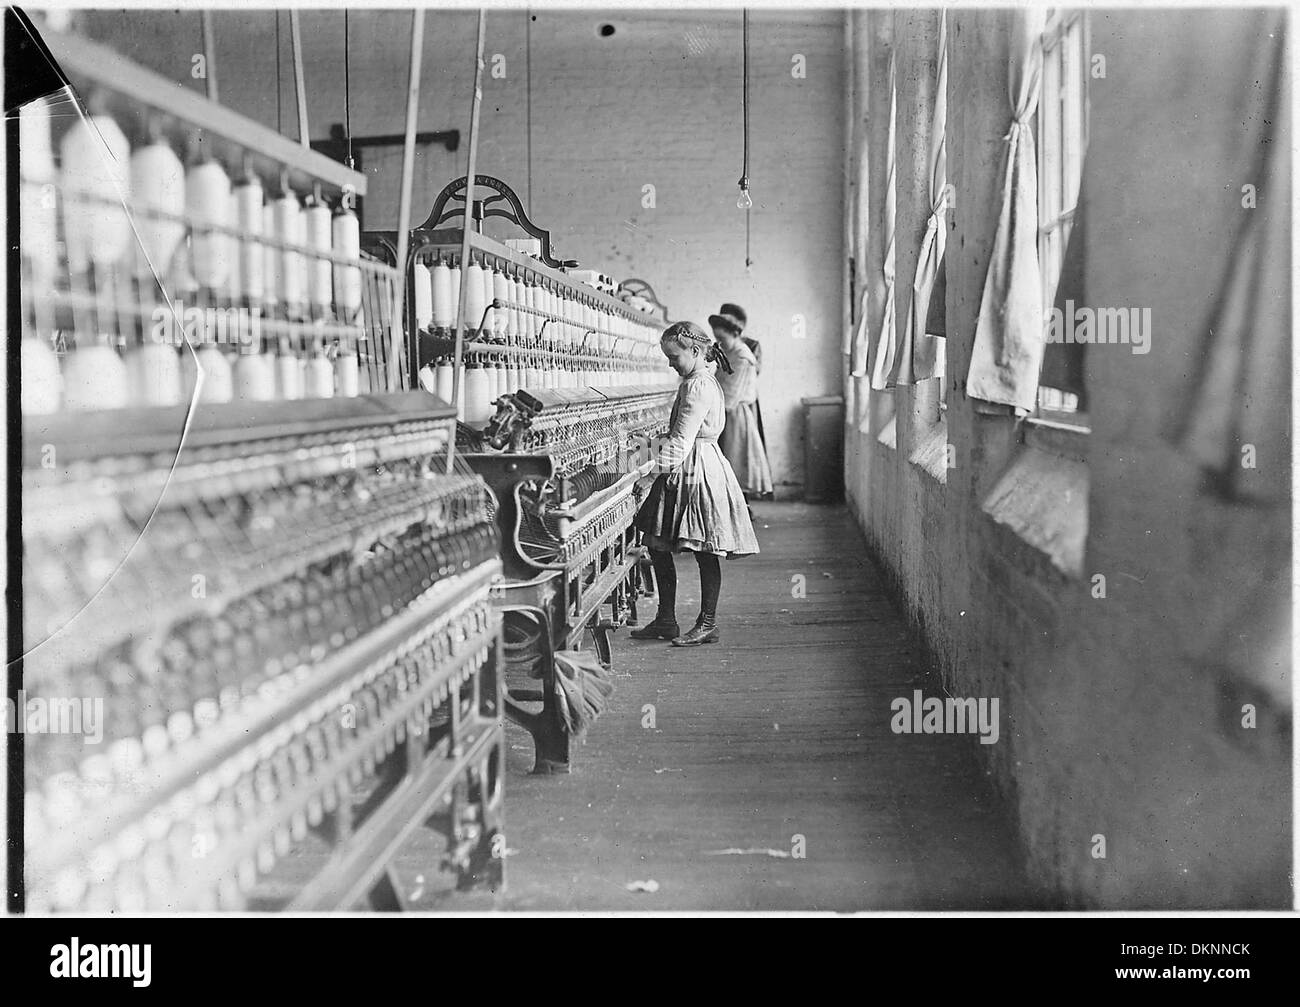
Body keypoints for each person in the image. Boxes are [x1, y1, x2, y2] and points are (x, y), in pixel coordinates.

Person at [631, 321, 759, 647]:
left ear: (696, 351)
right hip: (688, 465)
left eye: (674, 356)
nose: (670, 363)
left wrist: (646, 475)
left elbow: (680, 443)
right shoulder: (696, 380)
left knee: (704, 549)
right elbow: (679, 436)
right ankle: (665, 619)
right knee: (657, 543)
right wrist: (647, 446)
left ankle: (707, 623)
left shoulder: (699, 386)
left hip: (696, 471)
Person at [709, 306, 774, 498]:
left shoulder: (742, 357)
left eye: (722, 339)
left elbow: (730, 394)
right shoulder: (729, 351)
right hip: (725, 411)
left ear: (735, 334)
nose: (719, 343)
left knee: (733, 462)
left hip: (734, 414)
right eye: (717, 338)